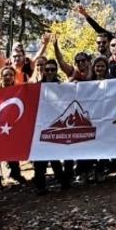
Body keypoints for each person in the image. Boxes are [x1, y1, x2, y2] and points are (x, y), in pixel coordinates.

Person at [32, 59, 71, 194]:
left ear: (56, 71)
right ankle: (40, 186)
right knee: (39, 159)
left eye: (52, 69)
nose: (49, 72)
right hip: (39, 126)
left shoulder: (61, 87)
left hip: (56, 126)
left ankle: (63, 182)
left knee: (55, 156)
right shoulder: (36, 87)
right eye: (47, 69)